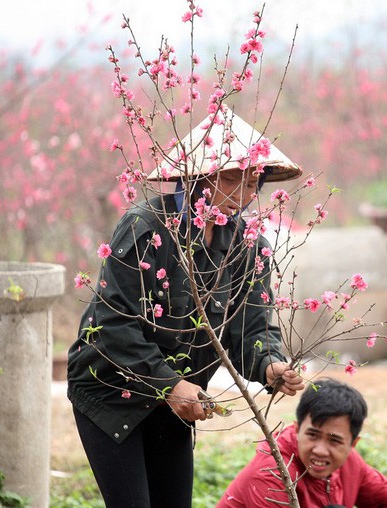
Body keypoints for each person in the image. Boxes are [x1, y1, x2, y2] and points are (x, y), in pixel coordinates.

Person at [67, 113, 305, 508]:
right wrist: (170, 385)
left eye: (251, 181)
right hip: (110, 389)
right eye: (230, 178)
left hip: (177, 398)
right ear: (197, 178)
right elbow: (114, 325)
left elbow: (250, 329)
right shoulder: (145, 228)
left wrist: (269, 365)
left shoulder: (250, 246)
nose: (242, 193)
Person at [217, 378, 387, 508]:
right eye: (312, 435)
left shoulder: (351, 464)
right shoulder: (271, 474)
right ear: (297, 429)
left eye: (334, 440)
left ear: (353, 444)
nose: (320, 450)